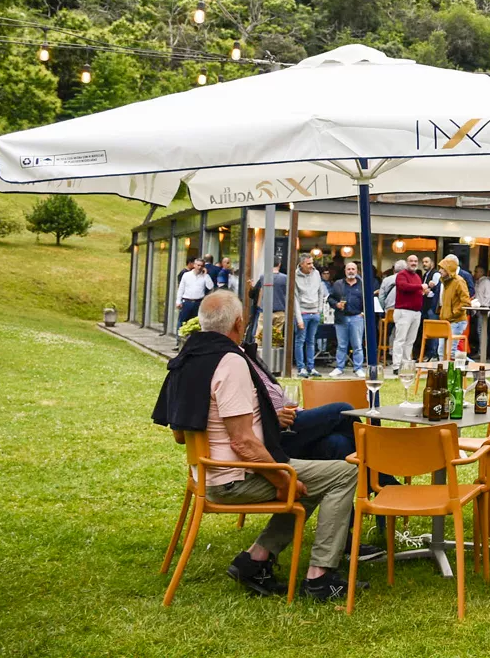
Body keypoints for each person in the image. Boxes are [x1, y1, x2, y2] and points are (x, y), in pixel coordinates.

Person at [151, 290, 364, 601]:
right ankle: (320, 577)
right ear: (239, 323)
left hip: (206, 474)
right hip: (233, 478)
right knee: (344, 473)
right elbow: (243, 442)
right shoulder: (230, 362)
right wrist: (282, 479)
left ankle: (255, 560)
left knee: (310, 478)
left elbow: (180, 435)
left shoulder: (187, 359)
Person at [327, 262, 367, 377]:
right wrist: (336, 305)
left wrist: (363, 313)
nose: (351, 271)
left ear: (357, 271)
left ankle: (358, 368)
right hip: (341, 318)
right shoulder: (338, 284)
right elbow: (330, 299)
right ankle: (339, 368)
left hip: (357, 318)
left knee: (358, 345)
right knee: (341, 345)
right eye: (348, 269)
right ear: (345, 271)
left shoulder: (362, 285)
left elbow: (368, 301)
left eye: (353, 269)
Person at [292, 255, 326, 379]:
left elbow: (320, 292)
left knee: (311, 341)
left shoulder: (316, 274)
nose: (311, 266)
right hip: (303, 312)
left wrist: (319, 310)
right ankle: (301, 368)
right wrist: (299, 318)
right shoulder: (295, 276)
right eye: (308, 264)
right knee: (300, 341)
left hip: (315, 312)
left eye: (312, 263)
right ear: (301, 264)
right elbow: (294, 298)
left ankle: (311, 367)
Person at [389, 259, 425, 371]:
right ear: (407, 263)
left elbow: (417, 290)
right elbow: (403, 286)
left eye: (415, 261)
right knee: (400, 339)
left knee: (410, 341)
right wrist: (420, 287)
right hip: (404, 311)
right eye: (411, 261)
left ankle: (405, 364)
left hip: (416, 312)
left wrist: (423, 291)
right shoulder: (401, 275)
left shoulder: (417, 277)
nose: (414, 263)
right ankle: (396, 365)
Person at [248, 262, 288, 352]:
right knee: (277, 338)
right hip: (280, 311)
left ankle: (257, 357)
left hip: (264, 311)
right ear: (279, 264)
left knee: (259, 336)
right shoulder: (285, 278)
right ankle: (275, 358)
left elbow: (258, 291)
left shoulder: (263, 277)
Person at [437, 254, 471, 359]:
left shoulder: (459, 281)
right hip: (446, 321)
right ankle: (444, 374)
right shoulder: (446, 282)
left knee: (451, 352)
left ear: (448, 269)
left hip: (456, 321)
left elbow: (466, 302)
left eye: (442, 268)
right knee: (442, 351)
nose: (439, 271)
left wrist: (453, 313)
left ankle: (475, 367)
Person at [176, 257, 215, 335]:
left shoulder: (204, 276)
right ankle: (179, 340)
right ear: (194, 265)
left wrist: (206, 275)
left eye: (201, 266)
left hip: (198, 302)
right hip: (187, 301)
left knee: (197, 323)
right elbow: (181, 289)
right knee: (182, 321)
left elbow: (211, 287)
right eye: (198, 265)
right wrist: (178, 301)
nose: (199, 267)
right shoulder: (186, 275)